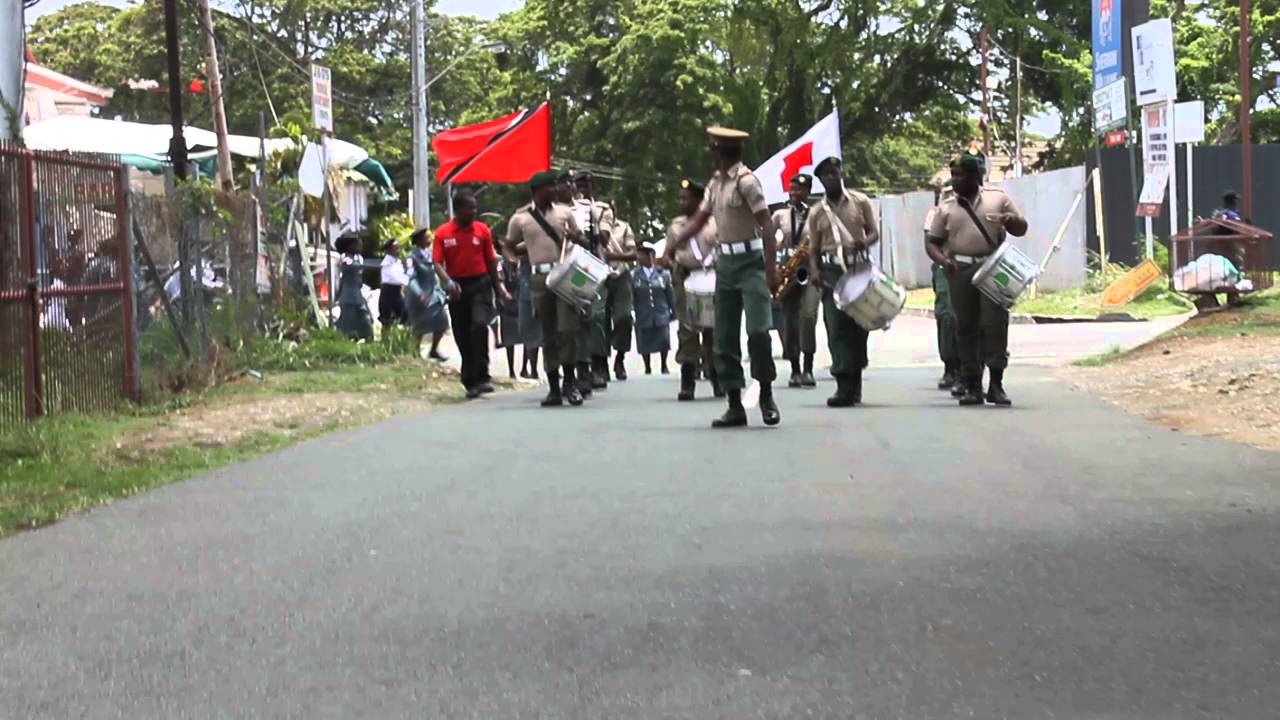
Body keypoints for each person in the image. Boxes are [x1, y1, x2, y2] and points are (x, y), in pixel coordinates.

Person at [669, 127, 780, 428]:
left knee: (758, 331)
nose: (712, 154)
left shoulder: (747, 182)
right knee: (724, 336)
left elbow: (767, 225)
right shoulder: (715, 184)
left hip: (751, 263)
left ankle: (766, 394)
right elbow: (699, 220)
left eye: (714, 149)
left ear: (722, 152)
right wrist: (674, 243)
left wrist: (771, 270)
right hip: (726, 264)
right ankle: (734, 404)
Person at [925, 148, 1028, 407]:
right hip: (960, 270)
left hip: (993, 268)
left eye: (960, 174)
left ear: (975, 175)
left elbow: (1021, 228)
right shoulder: (946, 208)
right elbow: (932, 242)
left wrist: (1010, 220)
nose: (955, 179)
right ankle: (972, 384)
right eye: (953, 174)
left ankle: (996, 384)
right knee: (965, 326)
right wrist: (944, 261)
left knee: (995, 325)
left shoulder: (997, 198)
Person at [804, 156, 880, 407]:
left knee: (859, 326)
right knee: (836, 327)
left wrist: (864, 242)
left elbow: (874, 232)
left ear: (840, 174)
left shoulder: (860, 201)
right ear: (820, 180)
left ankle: (854, 379)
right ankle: (842, 383)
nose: (832, 178)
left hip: (858, 268)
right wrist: (815, 271)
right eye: (826, 175)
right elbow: (813, 248)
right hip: (831, 271)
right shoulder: (817, 212)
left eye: (835, 173)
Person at [508, 170, 586, 407]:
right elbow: (508, 245)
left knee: (567, 329)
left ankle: (570, 383)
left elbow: (582, 239)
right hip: (539, 279)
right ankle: (554, 387)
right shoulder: (520, 218)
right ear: (538, 191)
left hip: (563, 275)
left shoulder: (564, 212)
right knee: (548, 333)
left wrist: (575, 235)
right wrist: (512, 259)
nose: (555, 189)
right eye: (550, 186)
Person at [434, 192, 511, 399]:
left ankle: (483, 374)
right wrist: (448, 282)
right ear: (458, 209)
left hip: (480, 284)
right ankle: (470, 380)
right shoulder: (443, 233)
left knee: (479, 326)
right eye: (470, 208)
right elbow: (437, 263)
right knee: (462, 333)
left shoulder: (482, 230)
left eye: (475, 207)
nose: (474, 211)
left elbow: (491, 262)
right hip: (457, 288)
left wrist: (499, 289)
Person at [663, 178, 722, 401]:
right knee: (687, 329)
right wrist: (672, 264)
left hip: (711, 277)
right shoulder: (676, 226)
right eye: (680, 198)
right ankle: (687, 381)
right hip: (685, 277)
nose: (681, 202)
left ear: (699, 200)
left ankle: (717, 378)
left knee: (712, 330)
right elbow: (667, 255)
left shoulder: (715, 223)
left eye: (686, 199)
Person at [572, 171, 620, 390]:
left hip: (594, 265)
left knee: (597, 316)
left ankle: (599, 364)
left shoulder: (601, 209)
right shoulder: (566, 209)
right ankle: (582, 367)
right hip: (573, 267)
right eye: (579, 185)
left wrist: (590, 214)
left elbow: (604, 238)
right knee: (577, 317)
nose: (583, 189)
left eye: (587, 185)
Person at [772, 173, 819, 389]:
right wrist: (773, 265)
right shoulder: (780, 215)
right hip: (788, 272)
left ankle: (808, 368)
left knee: (808, 316)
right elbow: (768, 238)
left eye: (798, 190)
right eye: (791, 189)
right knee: (790, 321)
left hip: (810, 271)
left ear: (808, 191)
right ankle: (795, 369)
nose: (794, 193)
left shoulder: (817, 214)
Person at [925, 186, 961, 391]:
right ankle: (950, 366)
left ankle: (968, 370)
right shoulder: (935, 214)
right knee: (946, 315)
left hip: (971, 265)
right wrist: (944, 261)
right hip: (945, 266)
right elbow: (929, 243)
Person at [405, 226, 454, 358]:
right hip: (420, 296)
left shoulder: (431, 253)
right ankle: (415, 352)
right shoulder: (412, 257)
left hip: (434, 294)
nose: (430, 239)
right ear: (419, 240)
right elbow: (411, 278)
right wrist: (419, 293)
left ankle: (434, 349)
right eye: (426, 237)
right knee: (419, 326)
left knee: (442, 322)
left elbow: (438, 271)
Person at [631, 242, 674, 375]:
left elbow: (669, 294)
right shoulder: (634, 275)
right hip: (643, 311)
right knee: (644, 338)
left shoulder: (663, 274)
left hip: (660, 311)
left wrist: (673, 311)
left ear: (651, 256)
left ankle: (664, 364)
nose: (639, 257)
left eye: (643, 254)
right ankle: (647, 366)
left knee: (663, 338)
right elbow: (631, 295)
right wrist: (631, 311)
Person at [603, 214, 638, 380]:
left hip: (621, 274)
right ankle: (600, 363)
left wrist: (615, 257)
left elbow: (633, 253)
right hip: (598, 275)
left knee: (624, 317)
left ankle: (620, 359)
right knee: (599, 320)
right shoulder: (590, 225)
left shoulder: (623, 227)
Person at [334, 233, 374, 341]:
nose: (360, 246)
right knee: (346, 325)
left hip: (358, 296)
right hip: (348, 297)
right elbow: (352, 265)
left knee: (367, 321)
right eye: (357, 244)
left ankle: (367, 340)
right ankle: (341, 341)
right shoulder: (345, 259)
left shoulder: (358, 258)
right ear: (350, 246)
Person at [495, 251, 522, 379]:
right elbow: (499, 282)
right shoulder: (501, 265)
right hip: (508, 306)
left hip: (522, 302)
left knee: (528, 338)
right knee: (509, 340)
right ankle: (511, 371)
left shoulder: (523, 264)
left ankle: (526, 368)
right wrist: (505, 294)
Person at [378, 238, 410, 331]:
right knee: (386, 321)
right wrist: (410, 282)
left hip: (397, 292)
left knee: (406, 317)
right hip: (388, 293)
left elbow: (403, 275)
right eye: (395, 248)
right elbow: (397, 277)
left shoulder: (397, 262)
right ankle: (385, 339)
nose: (398, 251)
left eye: (398, 248)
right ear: (389, 250)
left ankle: (404, 338)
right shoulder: (387, 263)